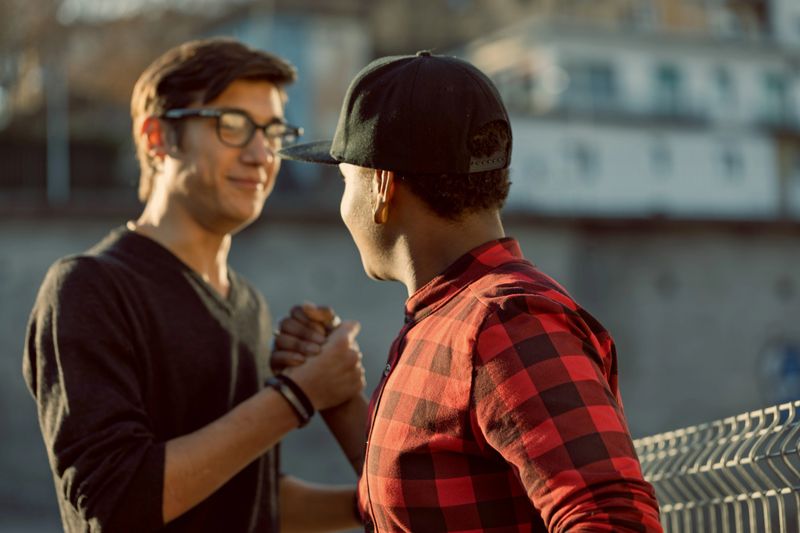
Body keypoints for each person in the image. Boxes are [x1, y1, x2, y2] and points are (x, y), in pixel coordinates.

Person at [276, 51, 663, 531]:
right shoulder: (450, 318)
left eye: (343, 179)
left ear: (380, 186)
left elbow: (614, 519)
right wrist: (336, 399)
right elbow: (427, 496)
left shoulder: (505, 323)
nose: (342, 202)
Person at [22, 38, 366, 533]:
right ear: (157, 137)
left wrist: (387, 503)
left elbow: (246, 501)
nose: (260, 154)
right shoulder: (88, 288)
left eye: (272, 132)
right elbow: (115, 503)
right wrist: (296, 396)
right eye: (231, 126)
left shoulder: (247, 304)